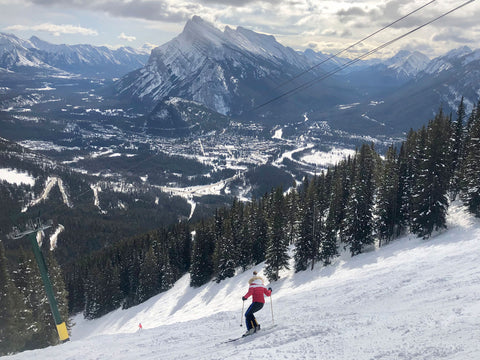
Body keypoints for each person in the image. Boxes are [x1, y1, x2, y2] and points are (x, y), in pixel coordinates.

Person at [242, 271, 272, 336]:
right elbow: (268, 294)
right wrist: (270, 290)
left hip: (256, 303)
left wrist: (244, 297)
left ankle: (250, 329)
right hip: (261, 304)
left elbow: (250, 293)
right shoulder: (262, 286)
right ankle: (256, 326)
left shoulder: (252, 285)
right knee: (250, 313)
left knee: (247, 314)